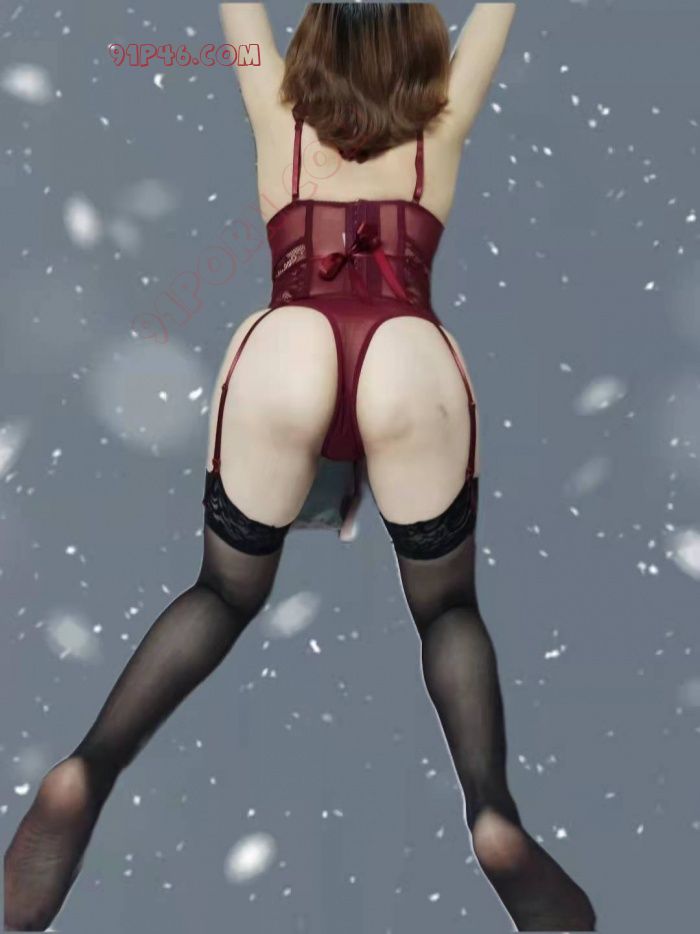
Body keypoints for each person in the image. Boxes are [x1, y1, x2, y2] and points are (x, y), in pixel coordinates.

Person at [4, 3, 597, 931]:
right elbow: (498, 11)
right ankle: (491, 813)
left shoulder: (277, 111)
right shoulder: (439, 123)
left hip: (286, 347)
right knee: (446, 609)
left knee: (221, 594)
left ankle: (89, 767)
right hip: (407, 352)